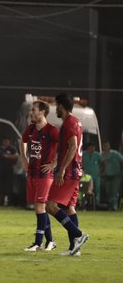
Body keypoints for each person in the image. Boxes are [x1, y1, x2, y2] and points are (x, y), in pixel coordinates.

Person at [45, 93, 90, 256]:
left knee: (50, 205)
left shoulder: (69, 124)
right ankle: (74, 248)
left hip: (69, 172)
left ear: (61, 107)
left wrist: (62, 169)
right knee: (70, 208)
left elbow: (72, 146)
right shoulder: (76, 122)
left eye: (56, 105)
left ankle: (79, 234)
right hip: (76, 171)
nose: (55, 109)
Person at [19, 100, 59, 252]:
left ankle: (38, 243)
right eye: (31, 110)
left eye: (33, 110)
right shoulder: (30, 129)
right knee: (41, 208)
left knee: (39, 207)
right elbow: (22, 141)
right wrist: (24, 158)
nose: (31, 113)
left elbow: (67, 146)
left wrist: (54, 164)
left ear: (42, 112)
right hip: (32, 173)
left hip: (45, 174)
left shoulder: (52, 130)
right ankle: (51, 241)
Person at [0, 136, 19, 206]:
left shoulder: (12, 148)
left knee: (9, 186)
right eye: (4, 141)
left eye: (7, 141)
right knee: (1, 186)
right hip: (1, 169)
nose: (5, 142)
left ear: (9, 141)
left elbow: (16, 156)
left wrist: (7, 156)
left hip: (9, 169)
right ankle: (1, 202)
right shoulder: (0, 148)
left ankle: (9, 202)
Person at [100, 141, 123, 210]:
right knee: (108, 191)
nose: (106, 147)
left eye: (107, 145)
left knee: (114, 191)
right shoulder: (101, 155)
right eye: (104, 146)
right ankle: (110, 206)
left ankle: (114, 207)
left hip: (116, 175)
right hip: (106, 176)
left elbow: (122, 160)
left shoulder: (115, 154)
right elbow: (100, 165)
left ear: (109, 146)